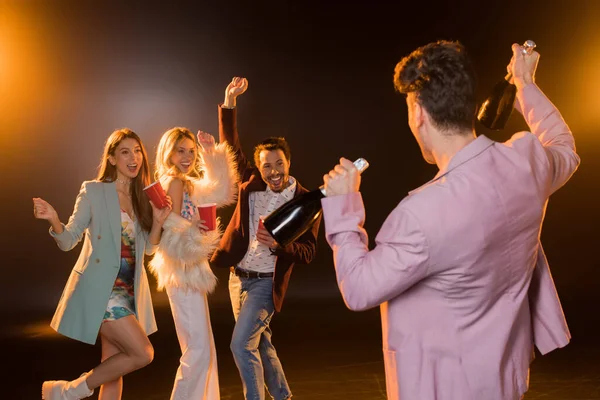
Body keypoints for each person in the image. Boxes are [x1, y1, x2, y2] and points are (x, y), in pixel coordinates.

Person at [320, 41, 580, 400]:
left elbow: (359, 288)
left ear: (418, 114)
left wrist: (343, 205)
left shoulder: (420, 214)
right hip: (507, 381)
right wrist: (525, 83)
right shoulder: (527, 162)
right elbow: (564, 146)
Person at [33, 128, 172, 400]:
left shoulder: (142, 197)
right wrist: (53, 219)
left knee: (114, 367)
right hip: (104, 292)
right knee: (143, 353)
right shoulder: (94, 191)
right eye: (124, 152)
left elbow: (150, 249)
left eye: (137, 151)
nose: (133, 158)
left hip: (129, 292)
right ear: (111, 159)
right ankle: (68, 390)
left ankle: (67, 391)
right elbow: (69, 239)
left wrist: (158, 221)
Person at [210, 77, 321, 400]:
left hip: (265, 283)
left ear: (288, 163)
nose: (273, 172)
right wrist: (229, 101)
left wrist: (278, 245)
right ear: (259, 169)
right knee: (261, 341)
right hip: (237, 279)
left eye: (279, 164)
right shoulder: (252, 184)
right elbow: (230, 147)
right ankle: (283, 396)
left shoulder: (304, 202)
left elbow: (309, 252)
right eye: (266, 166)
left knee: (240, 344)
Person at [148, 127, 238, 399]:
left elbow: (220, 192)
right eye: (180, 151)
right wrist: (193, 228)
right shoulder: (174, 181)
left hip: (189, 270)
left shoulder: (184, 182)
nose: (187, 157)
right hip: (182, 270)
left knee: (201, 347)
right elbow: (171, 224)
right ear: (168, 152)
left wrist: (211, 153)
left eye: (191, 151)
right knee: (198, 349)